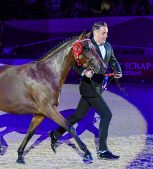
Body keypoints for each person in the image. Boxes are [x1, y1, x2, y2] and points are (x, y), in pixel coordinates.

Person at [49, 21, 122, 160]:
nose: (106, 35)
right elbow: (76, 66)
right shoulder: (86, 46)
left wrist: (118, 70)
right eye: (103, 32)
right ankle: (102, 150)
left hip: (98, 86)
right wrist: (84, 72)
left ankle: (56, 134)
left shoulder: (108, 46)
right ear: (95, 33)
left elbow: (113, 61)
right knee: (106, 115)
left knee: (78, 116)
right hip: (88, 87)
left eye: (107, 32)